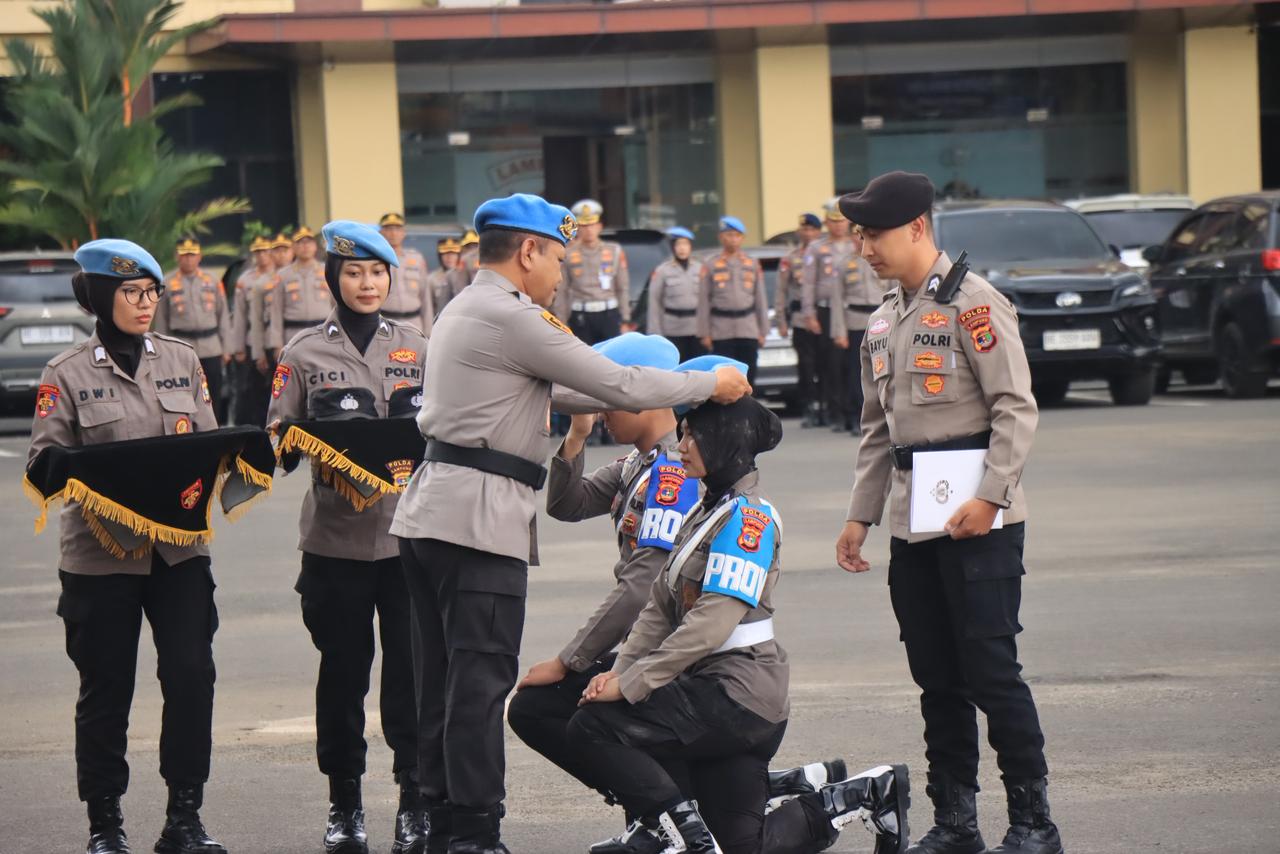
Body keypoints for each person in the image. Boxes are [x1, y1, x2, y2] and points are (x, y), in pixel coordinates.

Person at [389, 193, 752, 854]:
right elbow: (619, 384)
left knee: (441, 683)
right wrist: (707, 385)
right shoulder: (512, 314)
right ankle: (475, 833)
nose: (561, 273)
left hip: (434, 514)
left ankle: (440, 824)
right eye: (557, 257)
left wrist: (590, 422)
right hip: (476, 522)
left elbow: (568, 391)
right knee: (477, 684)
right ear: (528, 251)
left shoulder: (468, 309)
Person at [507, 341, 898, 854]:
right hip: (701, 685)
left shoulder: (746, 519)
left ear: (721, 439)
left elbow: (710, 622)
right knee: (742, 845)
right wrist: (620, 670)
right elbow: (656, 606)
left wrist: (630, 681)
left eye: (691, 433)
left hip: (736, 697)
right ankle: (856, 795)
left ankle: (677, 831)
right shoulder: (706, 509)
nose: (682, 441)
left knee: (596, 727)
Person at [834, 171, 1062, 854]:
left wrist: (990, 497)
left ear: (917, 228)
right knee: (936, 677)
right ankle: (956, 821)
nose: (864, 248)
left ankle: (1032, 821)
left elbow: (1015, 408)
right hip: (914, 523)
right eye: (859, 236)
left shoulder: (973, 304)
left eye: (873, 234)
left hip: (978, 522)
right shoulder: (883, 318)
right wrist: (860, 515)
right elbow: (879, 429)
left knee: (991, 672)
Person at [28, 239, 225, 854]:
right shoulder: (65, 373)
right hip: (99, 557)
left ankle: (184, 819)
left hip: (179, 553)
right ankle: (105, 825)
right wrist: (78, 471)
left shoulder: (182, 360)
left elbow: (208, 443)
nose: (146, 305)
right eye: (131, 293)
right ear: (97, 297)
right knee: (107, 688)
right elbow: (40, 462)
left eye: (152, 293)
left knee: (192, 677)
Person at [267, 220, 430, 854]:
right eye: (355, 273)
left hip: (408, 541)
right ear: (333, 279)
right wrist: (301, 446)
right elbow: (278, 440)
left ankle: (414, 800)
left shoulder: (419, 346)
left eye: (378, 273)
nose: (368, 284)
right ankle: (345, 805)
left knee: (411, 677)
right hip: (335, 544)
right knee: (343, 676)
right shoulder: (302, 354)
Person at [154, 237, 231, 424]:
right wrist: (162, 350)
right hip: (181, 346)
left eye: (192, 255)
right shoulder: (167, 282)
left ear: (199, 256)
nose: (188, 259)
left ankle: (216, 430)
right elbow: (161, 319)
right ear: (177, 257)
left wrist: (227, 347)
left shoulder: (212, 280)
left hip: (211, 346)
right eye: (184, 255)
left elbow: (223, 314)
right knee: (183, 393)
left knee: (212, 392)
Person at [800, 200, 857, 431]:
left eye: (841, 221)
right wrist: (809, 313)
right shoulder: (816, 248)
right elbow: (808, 283)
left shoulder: (856, 245)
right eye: (833, 221)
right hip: (825, 310)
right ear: (827, 223)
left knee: (851, 364)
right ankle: (837, 411)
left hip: (850, 309)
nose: (838, 226)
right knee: (831, 363)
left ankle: (853, 409)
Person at [829, 229, 889, 435]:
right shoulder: (845, 264)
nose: (859, 240)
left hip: (880, 321)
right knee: (856, 373)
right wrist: (839, 331)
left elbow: (893, 291)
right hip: (854, 322)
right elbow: (836, 300)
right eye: (856, 236)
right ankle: (856, 415)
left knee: (883, 371)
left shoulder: (884, 259)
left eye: (864, 235)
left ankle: (883, 417)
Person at [698, 216, 768, 384]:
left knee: (749, 373)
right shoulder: (710, 264)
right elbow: (703, 301)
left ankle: (749, 408)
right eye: (729, 235)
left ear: (742, 238)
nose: (733, 239)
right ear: (721, 237)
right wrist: (704, 333)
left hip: (747, 327)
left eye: (737, 235)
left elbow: (760, 298)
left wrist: (763, 330)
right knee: (725, 375)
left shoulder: (751, 263)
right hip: (721, 328)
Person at [553, 199, 633, 343]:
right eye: (583, 225)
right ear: (577, 228)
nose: (588, 230)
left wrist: (625, 319)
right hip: (581, 315)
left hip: (609, 313)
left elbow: (622, 287)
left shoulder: (614, 250)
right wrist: (561, 321)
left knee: (611, 359)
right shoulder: (569, 253)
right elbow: (561, 290)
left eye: (592, 224)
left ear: (599, 226)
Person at [775, 214, 823, 427]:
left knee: (827, 365)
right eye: (805, 229)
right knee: (806, 365)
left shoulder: (826, 255)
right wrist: (781, 321)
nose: (808, 233)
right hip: (800, 319)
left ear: (818, 232)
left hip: (824, 317)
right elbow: (781, 292)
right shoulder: (791, 258)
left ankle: (827, 407)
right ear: (799, 232)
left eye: (812, 230)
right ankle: (808, 407)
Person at [230, 236, 277, 426]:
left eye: (265, 251)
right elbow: (239, 315)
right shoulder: (245, 280)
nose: (262, 255)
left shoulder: (279, 275)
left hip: (273, 338)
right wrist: (238, 346)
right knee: (251, 390)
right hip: (251, 339)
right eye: (258, 252)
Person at [267, 225, 332, 356]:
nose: (305, 246)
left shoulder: (328, 271)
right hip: (293, 335)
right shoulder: (283, 276)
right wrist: (277, 344)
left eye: (309, 242)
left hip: (323, 334)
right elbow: (275, 312)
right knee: (292, 374)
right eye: (300, 242)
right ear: (294, 248)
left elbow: (337, 306)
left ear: (315, 246)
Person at [646, 227, 705, 361]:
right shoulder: (662, 271)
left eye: (685, 244)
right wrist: (656, 335)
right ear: (673, 247)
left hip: (697, 329)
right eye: (678, 244)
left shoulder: (700, 268)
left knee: (699, 367)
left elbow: (708, 301)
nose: (682, 248)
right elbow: (655, 303)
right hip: (673, 329)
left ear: (691, 247)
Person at [379, 212, 435, 335]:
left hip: (414, 324)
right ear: (381, 233)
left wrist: (428, 331)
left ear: (403, 233)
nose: (393, 233)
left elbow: (425, 297)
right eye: (388, 229)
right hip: (386, 323)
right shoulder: (376, 261)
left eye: (397, 229)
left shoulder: (416, 259)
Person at [428, 237, 463, 318]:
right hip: (440, 322)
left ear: (459, 256)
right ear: (440, 256)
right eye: (445, 253)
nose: (449, 257)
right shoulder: (431, 279)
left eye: (453, 253)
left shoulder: (466, 277)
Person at [442, 228, 479, 300]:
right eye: (468, 247)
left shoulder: (487, 270)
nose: (472, 252)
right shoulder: (450, 274)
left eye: (475, 247)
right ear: (461, 249)